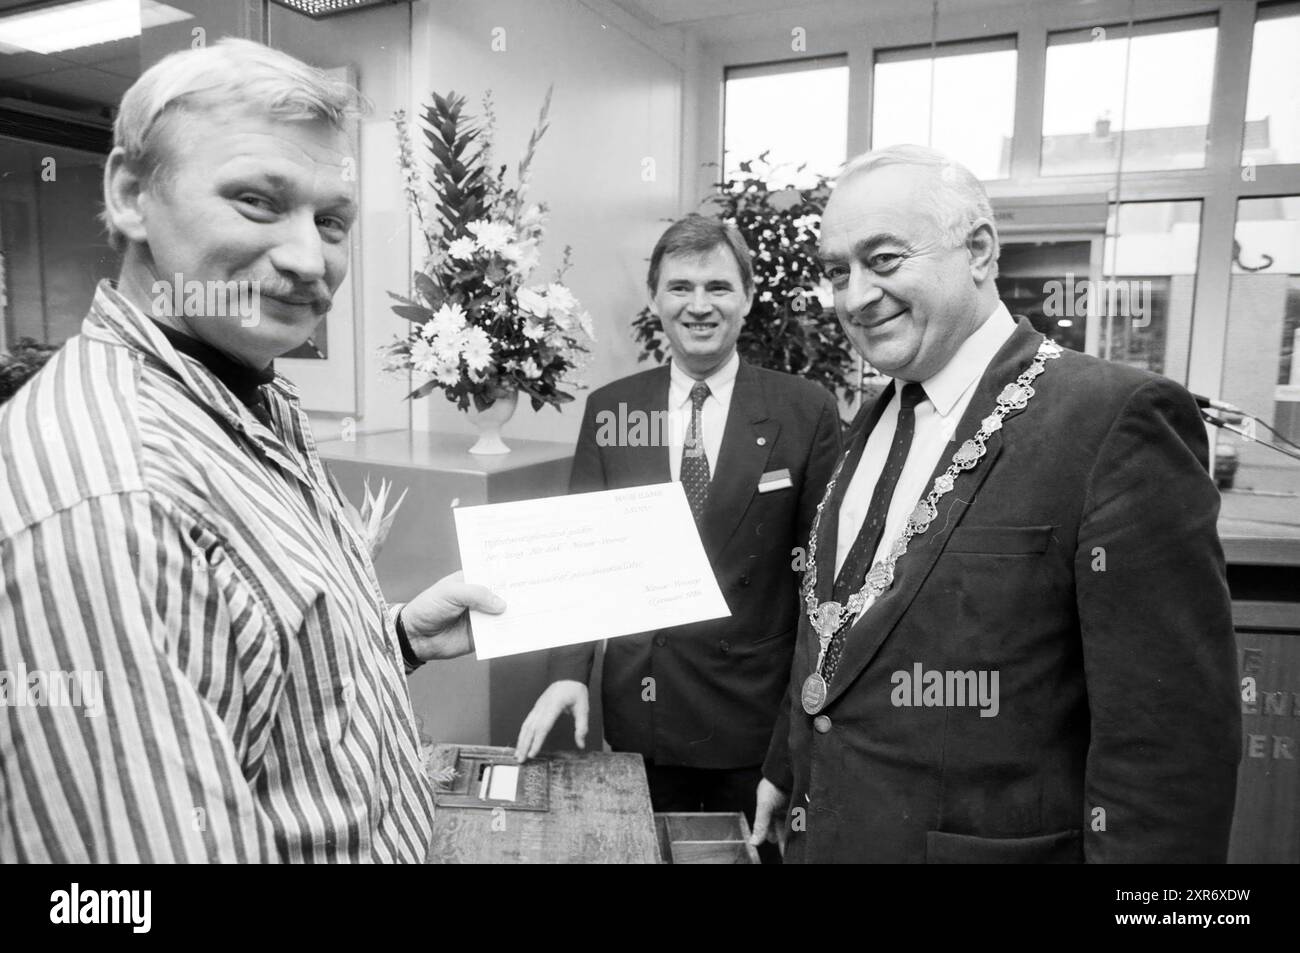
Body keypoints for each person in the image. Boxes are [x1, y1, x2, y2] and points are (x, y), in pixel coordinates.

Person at [0, 39, 503, 862]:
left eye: (330, 219)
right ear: (130, 194)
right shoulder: (116, 499)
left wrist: (399, 637)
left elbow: (252, 680)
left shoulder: (241, 390)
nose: (310, 258)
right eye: (258, 203)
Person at [750, 145, 1241, 863]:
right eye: (836, 272)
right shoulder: (872, 418)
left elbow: (1171, 748)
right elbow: (837, 629)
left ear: (979, 250)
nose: (855, 297)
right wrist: (786, 766)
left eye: (883, 260)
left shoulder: (1113, 419)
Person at [514, 216, 841, 852]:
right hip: (644, 706)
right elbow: (586, 554)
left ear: (747, 297)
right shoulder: (612, 410)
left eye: (718, 287)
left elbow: (824, 582)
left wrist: (801, 722)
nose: (698, 306)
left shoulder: (806, 410)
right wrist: (568, 672)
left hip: (752, 716)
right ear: (655, 299)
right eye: (680, 287)